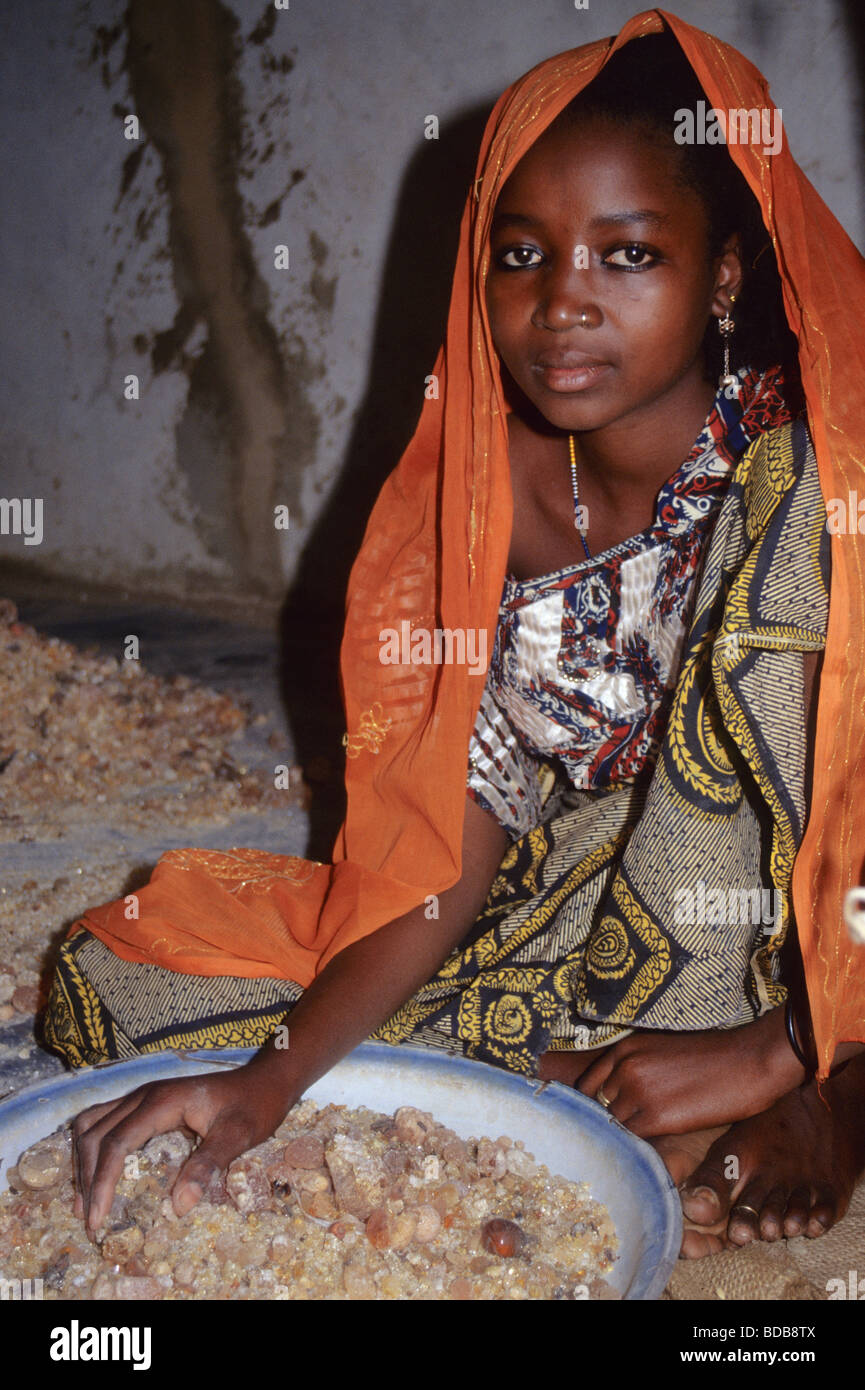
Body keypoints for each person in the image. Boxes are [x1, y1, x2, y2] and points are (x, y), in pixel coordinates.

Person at [46, 9, 865, 1263]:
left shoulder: (816, 482)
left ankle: (815, 1078)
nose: (561, 306)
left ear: (725, 277)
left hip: (806, 919)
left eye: (628, 254)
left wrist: (791, 1039)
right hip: (588, 905)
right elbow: (445, 853)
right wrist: (273, 1081)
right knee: (122, 991)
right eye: (522, 254)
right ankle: (621, 1080)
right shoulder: (470, 503)